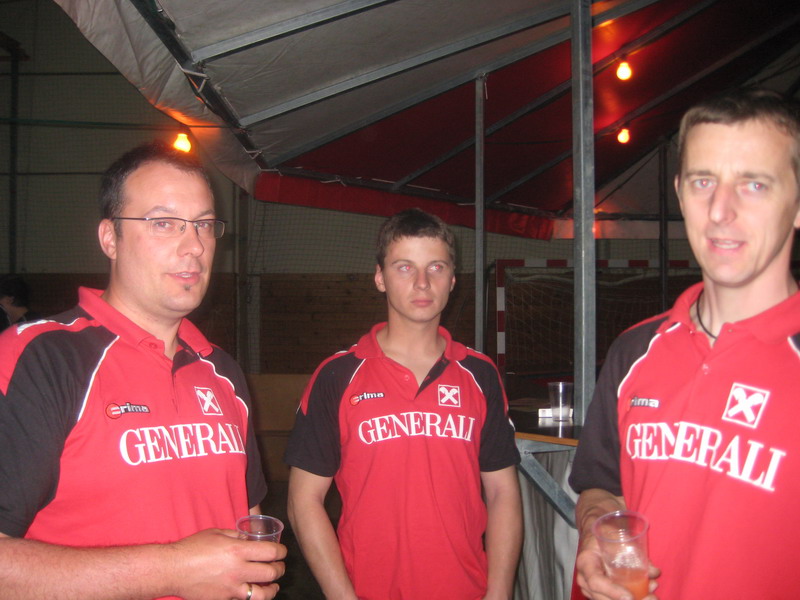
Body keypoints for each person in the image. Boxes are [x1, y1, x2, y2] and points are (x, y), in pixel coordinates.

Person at [0, 141, 286, 600]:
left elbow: (246, 520)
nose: (194, 246)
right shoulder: (39, 358)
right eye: (164, 223)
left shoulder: (222, 371)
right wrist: (173, 570)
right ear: (110, 238)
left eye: (204, 224)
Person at [569, 87, 800, 599]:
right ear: (679, 192)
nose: (720, 210)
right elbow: (601, 489)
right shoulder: (634, 351)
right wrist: (595, 536)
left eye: (754, 184)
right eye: (703, 181)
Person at [285, 208, 523, 599]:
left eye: (436, 267)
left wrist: (499, 594)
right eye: (404, 267)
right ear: (380, 277)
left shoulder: (480, 375)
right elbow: (303, 500)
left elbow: (502, 493)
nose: (422, 282)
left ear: (452, 280)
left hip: (465, 590)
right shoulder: (337, 376)